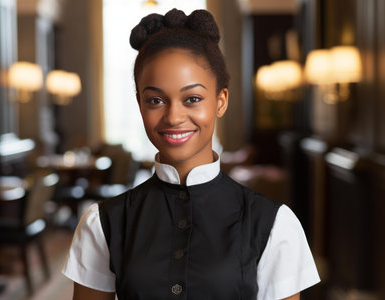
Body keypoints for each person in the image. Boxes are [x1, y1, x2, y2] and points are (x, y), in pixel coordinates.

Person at [62, 8, 320, 300]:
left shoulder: (273, 224)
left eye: (192, 99)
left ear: (221, 101)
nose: (173, 116)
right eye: (156, 100)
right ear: (139, 104)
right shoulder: (103, 222)